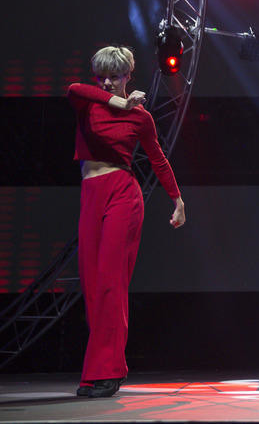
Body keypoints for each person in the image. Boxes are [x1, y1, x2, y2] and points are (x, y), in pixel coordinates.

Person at [68, 46, 186, 398]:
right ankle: (100, 369)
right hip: (91, 195)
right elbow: (74, 88)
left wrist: (178, 200)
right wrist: (117, 101)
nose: (107, 82)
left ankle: (106, 371)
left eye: (115, 76)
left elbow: (158, 159)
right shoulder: (88, 103)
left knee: (110, 283)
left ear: (128, 76)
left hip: (122, 194)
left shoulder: (141, 117)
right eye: (102, 76)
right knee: (92, 285)